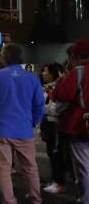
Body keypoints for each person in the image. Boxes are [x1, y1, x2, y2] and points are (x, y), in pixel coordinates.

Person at [0, 43, 45, 204]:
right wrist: (32, 122)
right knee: (30, 169)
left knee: (3, 169)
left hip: (0, 129)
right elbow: (39, 105)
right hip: (24, 129)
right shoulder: (32, 78)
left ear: (4, 57)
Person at [53, 38, 89, 204]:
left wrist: (61, 79)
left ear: (76, 55)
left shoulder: (79, 72)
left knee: (84, 170)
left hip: (81, 126)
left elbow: (62, 94)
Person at [41, 62, 68, 195]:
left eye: (46, 71)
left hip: (54, 124)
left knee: (56, 153)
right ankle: (54, 180)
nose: (43, 73)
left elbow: (55, 108)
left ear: (53, 73)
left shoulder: (57, 87)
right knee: (51, 153)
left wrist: (41, 109)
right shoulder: (48, 87)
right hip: (49, 123)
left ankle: (58, 182)